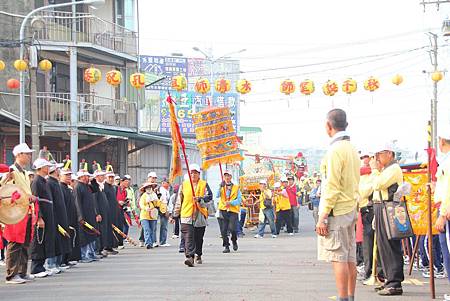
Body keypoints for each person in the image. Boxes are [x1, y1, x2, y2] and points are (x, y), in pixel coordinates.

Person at [316, 109, 360, 301]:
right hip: (350, 208)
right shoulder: (351, 148)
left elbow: (331, 186)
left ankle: (343, 298)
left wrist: (322, 216)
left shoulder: (335, 151)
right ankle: (350, 296)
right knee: (349, 257)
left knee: (338, 257)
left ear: (328, 126)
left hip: (338, 210)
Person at [1, 143, 40, 284]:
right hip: (14, 211)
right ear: (18, 155)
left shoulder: (23, 172)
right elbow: (6, 190)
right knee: (15, 242)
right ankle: (11, 274)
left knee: (24, 243)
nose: (29, 156)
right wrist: (25, 196)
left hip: (26, 211)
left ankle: (22, 272)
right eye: (27, 154)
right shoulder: (12, 171)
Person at [370, 142, 404, 296]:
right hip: (380, 207)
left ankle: (395, 283)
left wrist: (374, 170)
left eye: (379, 154)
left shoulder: (393, 169)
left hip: (388, 208)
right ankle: (388, 279)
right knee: (383, 246)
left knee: (390, 246)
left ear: (389, 153)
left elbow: (378, 184)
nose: (377, 158)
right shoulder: (385, 169)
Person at [174, 164, 212, 267]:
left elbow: (209, 197)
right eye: (191, 173)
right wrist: (175, 214)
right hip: (186, 214)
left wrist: (200, 199)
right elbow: (179, 200)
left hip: (199, 215)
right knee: (188, 236)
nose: (193, 174)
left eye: (195, 172)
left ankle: (198, 254)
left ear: (199, 174)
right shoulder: (184, 185)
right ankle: (189, 257)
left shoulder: (204, 184)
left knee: (198, 238)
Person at [30, 158, 57, 277]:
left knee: (45, 239)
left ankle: (42, 266)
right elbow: (35, 201)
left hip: (48, 214)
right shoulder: (36, 181)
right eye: (46, 166)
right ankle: (36, 268)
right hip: (42, 215)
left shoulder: (44, 181)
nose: (48, 168)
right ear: (41, 168)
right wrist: (39, 217)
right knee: (39, 240)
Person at [433, 126, 450, 301]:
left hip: (447, 212)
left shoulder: (448, 162)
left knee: (448, 252)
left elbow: (448, 191)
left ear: (442, 141)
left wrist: (443, 214)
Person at [47, 163, 71, 272]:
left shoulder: (55, 182)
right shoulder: (49, 183)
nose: (59, 171)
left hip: (60, 216)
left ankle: (57, 263)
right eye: (58, 169)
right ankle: (50, 264)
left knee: (59, 241)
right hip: (54, 216)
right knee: (53, 241)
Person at [74, 170, 101, 263]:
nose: (86, 178)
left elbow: (96, 189)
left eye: (87, 176)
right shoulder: (78, 187)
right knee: (84, 236)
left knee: (92, 235)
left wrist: (93, 180)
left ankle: (91, 253)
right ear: (80, 177)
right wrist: (80, 216)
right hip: (84, 216)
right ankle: (83, 255)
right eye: (84, 176)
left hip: (90, 214)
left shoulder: (88, 186)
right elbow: (77, 202)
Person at [216, 170, 242, 253]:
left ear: (231, 177)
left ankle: (234, 240)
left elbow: (239, 200)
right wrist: (220, 187)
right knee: (223, 230)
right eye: (225, 176)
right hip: (223, 210)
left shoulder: (236, 187)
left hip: (233, 210)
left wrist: (230, 203)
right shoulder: (222, 186)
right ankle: (226, 246)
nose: (227, 177)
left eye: (228, 176)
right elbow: (217, 195)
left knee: (232, 228)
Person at [59, 168, 81, 264]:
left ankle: (68, 259)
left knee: (71, 239)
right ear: (60, 176)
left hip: (72, 218)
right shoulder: (60, 188)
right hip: (65, 218)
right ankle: (63, 261)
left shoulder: (67, 189)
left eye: (70, 175)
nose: (69, 177)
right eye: (66, 175)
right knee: (64, 239)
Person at [91, 170, 112, 257]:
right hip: (100, 213)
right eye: (101, 175)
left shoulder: (102, 186)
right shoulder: (94, 186)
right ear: (96, 177)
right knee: (100, 231)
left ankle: (102, 248)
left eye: (103, 175)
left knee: (104, 230)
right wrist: (97, 213)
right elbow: (94, 201)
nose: (103, 177)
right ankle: (98, 249)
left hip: (105, 212)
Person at [139, 182, 159, 249]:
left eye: (150, 187)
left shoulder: (154, 195)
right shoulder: (143, 196)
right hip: (144, 215)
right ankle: (148, 243)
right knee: (147, 229)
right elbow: (141, 204)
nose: (149, 188)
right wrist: (146, 208)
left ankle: (152, 242)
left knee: (152, 230)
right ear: (145, 189)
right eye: (147, 187)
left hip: (153, 215)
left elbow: (157, 204)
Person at [104, 172, 120, 252]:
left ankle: (111, 246)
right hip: (107, 211)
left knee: (113, 229)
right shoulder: (104, 187)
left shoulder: (113, 187)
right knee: (108, 229)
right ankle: (107, 246)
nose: (111, 179)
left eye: (112, 177)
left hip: (113, 211)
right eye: (109, 177)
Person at [158, 178, 171, 247]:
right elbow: (164, 201)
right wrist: (166, 210)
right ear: (163, 183)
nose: (168, 184)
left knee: (164, 225)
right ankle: (162, 241)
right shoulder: (162, 190)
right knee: (164, 226)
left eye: (168, 182)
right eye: (166, 182)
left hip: (164, 208)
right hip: (162, 209)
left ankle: (163, 240)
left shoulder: (166, 190)